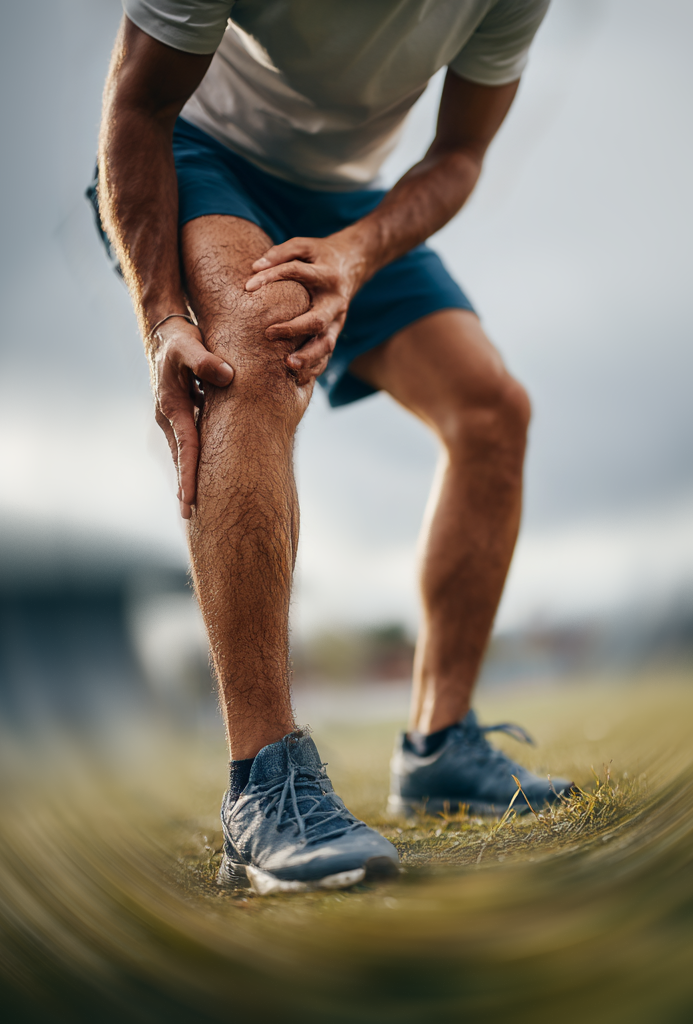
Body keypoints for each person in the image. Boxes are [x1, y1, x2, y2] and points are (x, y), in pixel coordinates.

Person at [94, 0, 570, 895]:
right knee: (257, 350)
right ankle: (263, 790)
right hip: (200, 150)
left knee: (491, 410)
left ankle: (439, 750)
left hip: (343, 200)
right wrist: (162, 319)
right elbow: (137, 107)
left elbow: (459, 154)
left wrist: (356, 253)